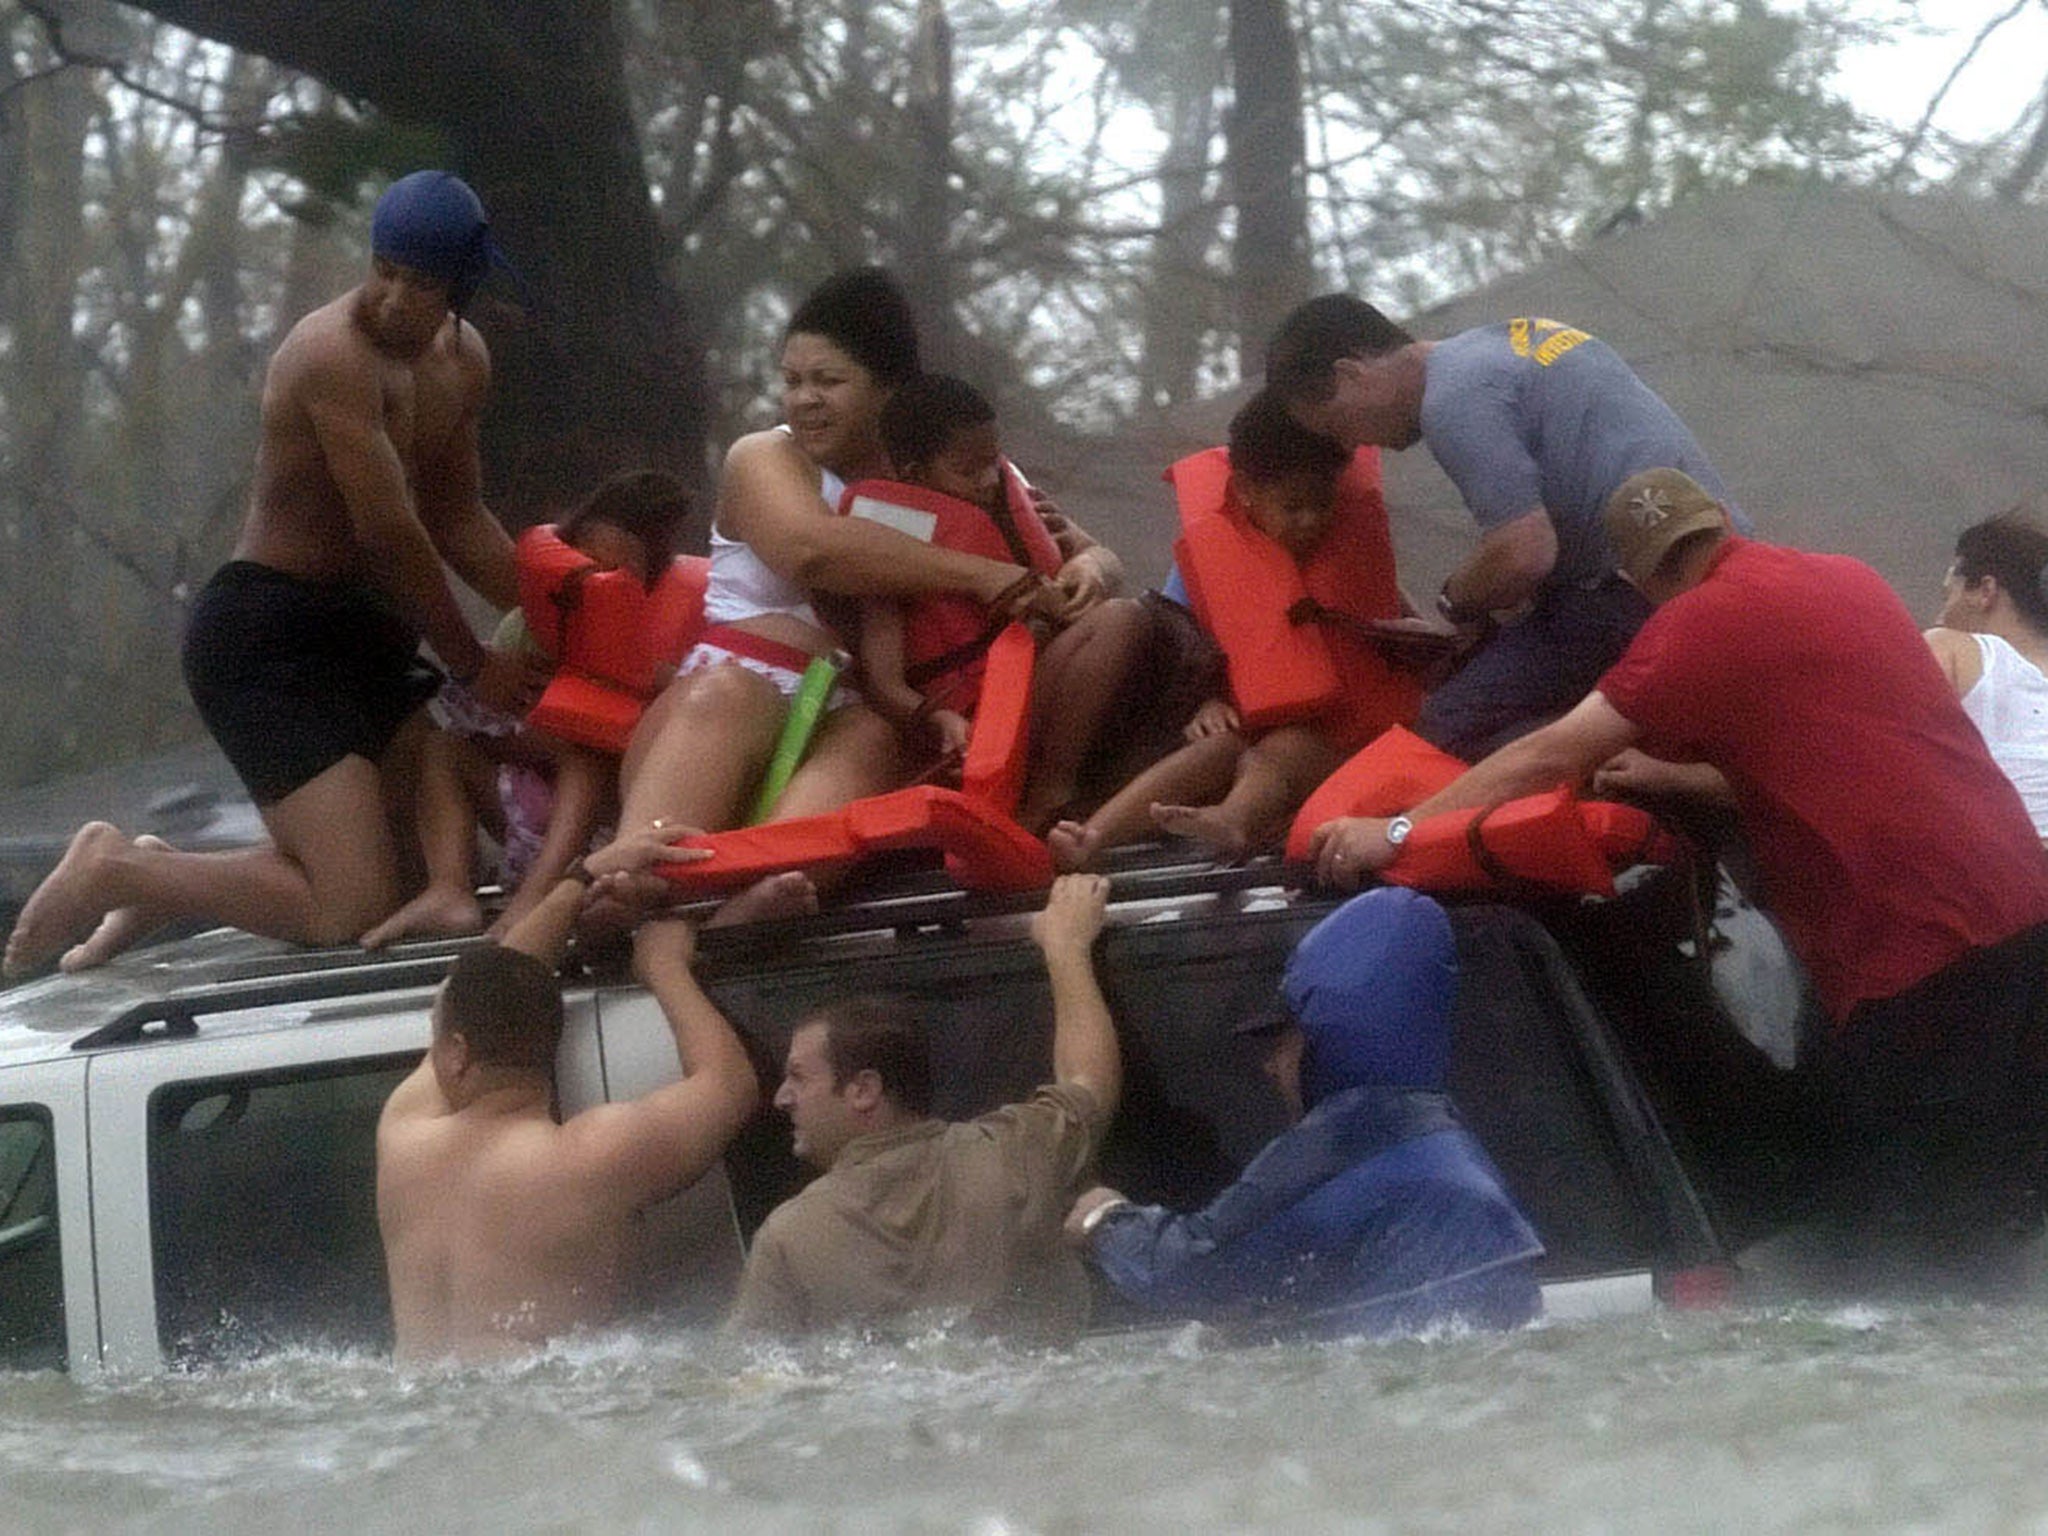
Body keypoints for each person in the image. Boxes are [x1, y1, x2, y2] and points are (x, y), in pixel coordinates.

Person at [1309, 469, 2048, 1271]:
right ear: (1722, 521)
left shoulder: (1690, 631)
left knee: (1899, 1245)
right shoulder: (1850, 580)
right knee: (2001, 1230)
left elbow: (1554, 753)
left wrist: (1399, 827)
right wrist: (1667, 776)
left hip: (1920, 954)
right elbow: (1833, 761)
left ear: (1636, 577)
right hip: (2025, 914)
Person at [4, 170, 547, 979]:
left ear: (459, 287)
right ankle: (116, 870)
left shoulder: (463, 361)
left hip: (365, 631)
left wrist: (559, 611)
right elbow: (390, 532)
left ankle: (167, 879)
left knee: (431, 880)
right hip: (269, 637)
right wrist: (472, 660)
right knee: (349, 909)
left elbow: (459, 519)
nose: (393, 299)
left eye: (420, 283)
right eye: (383, 270)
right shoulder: (333, 356)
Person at [584, 269, 1086, 920]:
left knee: (879, 739)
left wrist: (1093, 567)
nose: (803, 401)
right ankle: (628, 884)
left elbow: (1067, 549)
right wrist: (982, 574)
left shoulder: (958, 468)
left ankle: (758, 902)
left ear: (890, 391)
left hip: (859, 710)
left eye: (828, 381)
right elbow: (811, 550)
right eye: (792, 382)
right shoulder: (761, 456)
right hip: (730, 697)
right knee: (729, 694)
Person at [1266, 298, 1748, 761]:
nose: (1352, 442)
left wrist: (1454, 604)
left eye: (1335, 426)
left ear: (1350, 374)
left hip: (1646, 590)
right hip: (1720, 556)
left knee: (1449, 725)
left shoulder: (1452, 401)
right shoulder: (1509, 342)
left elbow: (1524, 551)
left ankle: (1653, 776)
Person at [1065, 888, 1541, 1338]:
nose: (1270, 1065)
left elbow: (1194, 1270)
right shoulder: (1435, 1135)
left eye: (1285, 1039)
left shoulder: (1348, 1139)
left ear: (1332, 1033)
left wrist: (1102, 1219)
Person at [376, 862, 758, 1361]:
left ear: (456, 1052)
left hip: (419, 1419)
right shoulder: (592, 1156)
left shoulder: (403, 1137)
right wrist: (664, 967)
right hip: (544, 1415)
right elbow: (730, 1084)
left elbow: (496, 980)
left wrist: (580, 878)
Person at [727, 873, 1120, 1337]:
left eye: (797, 1076)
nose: (781, 1097)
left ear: (864, 1090)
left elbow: (751, 1381)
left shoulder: (789, 1238)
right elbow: (1089, 1082)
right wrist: (1067, 947)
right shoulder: (1015, 1152)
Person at [1048, 389, 1416, 870]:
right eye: (1292, 506)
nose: (1309, 521)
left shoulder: (1352, 562)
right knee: (1222, 746)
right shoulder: (1211, 563)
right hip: (1239, 733)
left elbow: (1404, 625)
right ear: (1244, 491)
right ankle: (1090, 839)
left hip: (1332, 744)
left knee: (1281, 751)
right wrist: (1205, 698)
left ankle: (1233, 819)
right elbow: (1178, 645)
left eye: (1321, 504)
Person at [364, 470, 695, 947]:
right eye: (586, 568)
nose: (595, 590)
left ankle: (535, 898)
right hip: (524, 809)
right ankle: (448, 889)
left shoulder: (657, 657)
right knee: (443, 747)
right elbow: (493, 730)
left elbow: (642, 757)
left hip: (597, 836)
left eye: (615, 583)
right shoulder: (523, 634)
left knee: (584, 755)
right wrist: (525, 731)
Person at [851, 373, 1071, 770]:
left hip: (1042, 672)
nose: (988, 481)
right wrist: (937, 717)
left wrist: (1095, 566)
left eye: (993, 462)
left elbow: (1091, 554)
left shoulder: (1010, 496)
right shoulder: (886, 542)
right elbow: (884, 684)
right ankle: (1055, 787)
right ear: (914, 474)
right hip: (980, 708)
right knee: (1116, 625)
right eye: (969, 472)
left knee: (1126, 619)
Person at [1923, 509, 2048, 844]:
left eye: (1947, 594)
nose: (1940, 615)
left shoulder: (1952, 649)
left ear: (1985, 591)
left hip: (1999, 875)